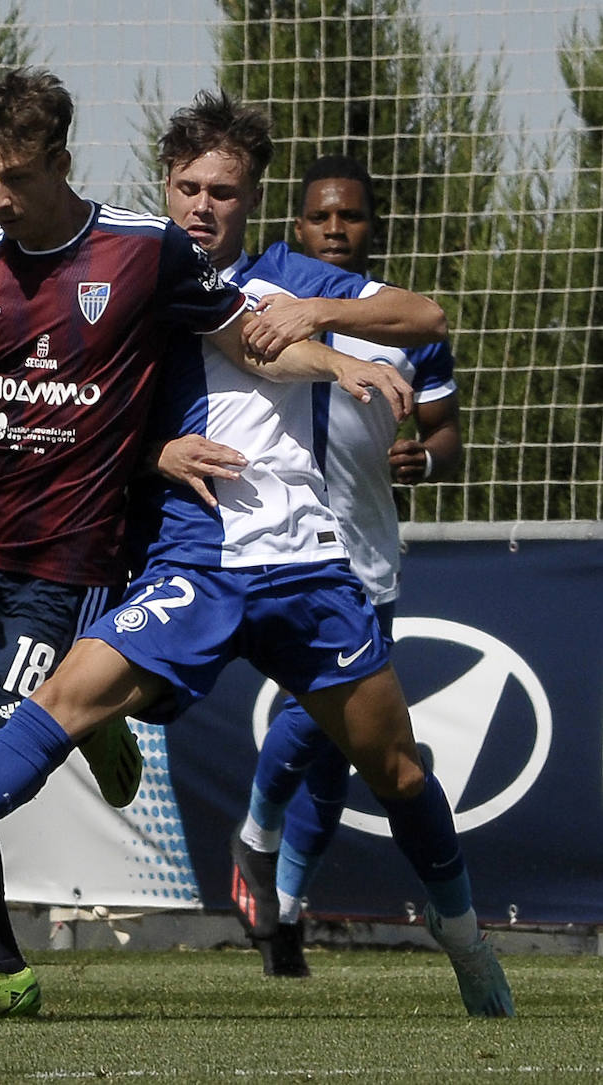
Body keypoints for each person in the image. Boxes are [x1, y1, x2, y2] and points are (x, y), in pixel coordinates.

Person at [0, 90, 514, 1019]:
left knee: (400, 772)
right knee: (63, 696)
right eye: (188, 187)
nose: (203, 207)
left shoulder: (272, 276)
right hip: (190, 558)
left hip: (304, 561)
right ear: (166, 187)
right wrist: (159, 452)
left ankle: (464, 940)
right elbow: (88, 409)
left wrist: (327, 336)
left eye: (223, 192)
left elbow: (414, 316)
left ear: (253, 197)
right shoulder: (143, 268)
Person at [225, 154, 463, 976]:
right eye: (321, 215)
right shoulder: (249, 293)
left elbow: (445, 434)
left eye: (351, 217)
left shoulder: (390, 320)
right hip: (277, 539)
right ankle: (256, 835)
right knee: (321, 710)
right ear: (296, 225)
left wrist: (424, 462)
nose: (335, 227)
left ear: (369, 229)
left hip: (367, 542)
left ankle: (285, 911)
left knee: (340, 752)